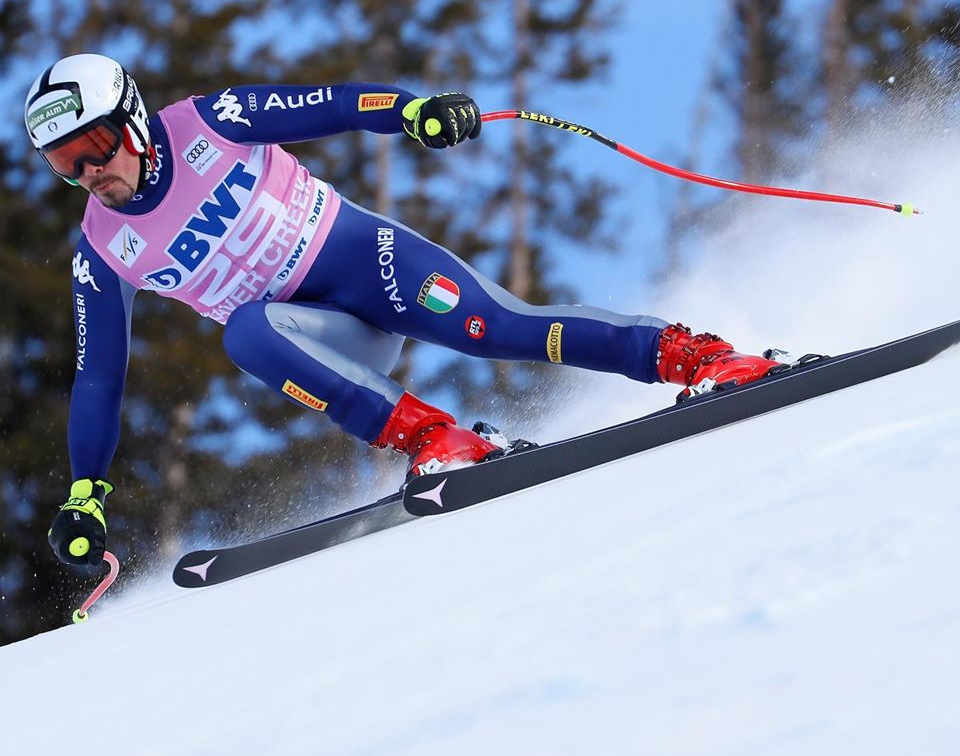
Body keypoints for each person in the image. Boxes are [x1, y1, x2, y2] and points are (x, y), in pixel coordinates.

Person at [25, 53, 784, 574]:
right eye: (65, 163)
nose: (91, 172)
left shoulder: (208, 122)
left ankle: (698, 357)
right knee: (248, 331)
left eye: (95, 145)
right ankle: (437, 440)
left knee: (500, 329)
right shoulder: (102, 250)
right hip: (320, 340)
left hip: (370, 266)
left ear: (131, 118)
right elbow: (99, 377)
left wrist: (413, 110)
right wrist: (86, 492)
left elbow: (335, 104)